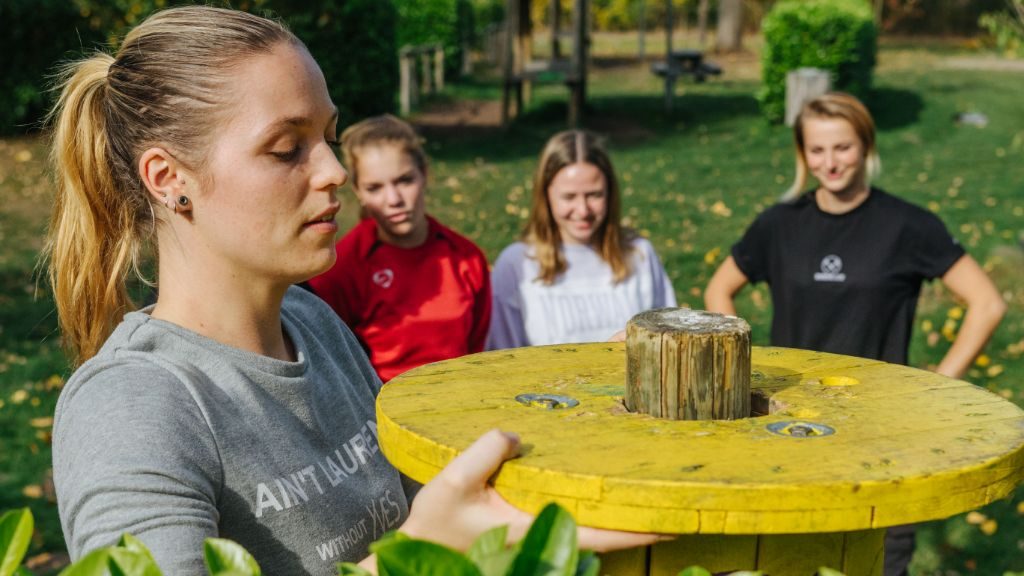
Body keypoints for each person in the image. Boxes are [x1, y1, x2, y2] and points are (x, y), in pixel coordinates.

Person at [44, 7, 654, 575]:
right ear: (167, 178)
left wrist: (575, 404)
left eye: (328, 138)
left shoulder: (313, 323)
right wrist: (413, 558)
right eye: (286, 149)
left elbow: (427, 500)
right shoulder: (132, 406)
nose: (335, 171)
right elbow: (422, 535)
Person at [704, 92, 1006, 576]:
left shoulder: (908, 225)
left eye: (842, 147)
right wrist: (744, 364)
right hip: (786, 422)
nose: (831, 162)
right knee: (781, 555)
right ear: (802, 155)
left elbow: (987, 303)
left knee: (878, 560)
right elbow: (720, 288)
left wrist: (940, 384)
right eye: (817, 150)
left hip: (880, 430)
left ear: (866, 146)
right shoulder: (779, 224)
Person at [307, 115, 490, 383]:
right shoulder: (341, 267)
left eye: (404, 180)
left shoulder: (466, 259)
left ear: (425, 174)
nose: (394, 199)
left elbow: (477, 353)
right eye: (375, 188)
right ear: (358, 191)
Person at [487, 130, 676, 349]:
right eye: (569, 197)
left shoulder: (639, 254)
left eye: (594, 195)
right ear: (545, 194)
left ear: (610, 193)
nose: (583, 210)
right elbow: (503, 363)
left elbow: (669, 345)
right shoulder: (517, 265)